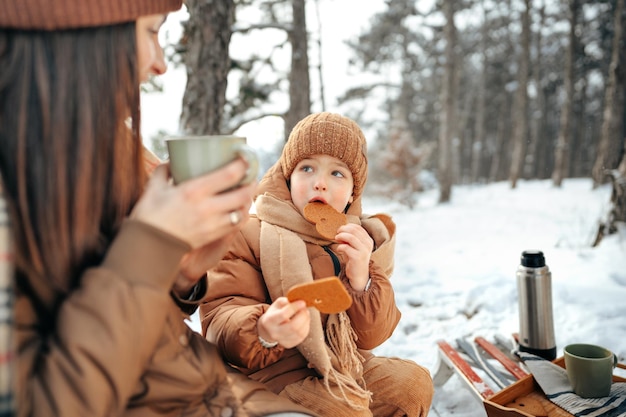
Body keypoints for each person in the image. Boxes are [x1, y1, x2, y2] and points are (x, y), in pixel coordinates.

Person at [0, 1, 314, 416]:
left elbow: (142, 331)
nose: (161, 64)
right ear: (77, 35)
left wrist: (182, 274)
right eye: (151, 32)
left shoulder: (108, 150)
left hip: (221, 394)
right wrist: (150, 247)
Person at [200, 112, 434, 417]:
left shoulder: (359, 242)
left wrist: (361, 276)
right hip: (269, 382)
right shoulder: (247, 234)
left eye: (337, 173)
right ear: (288, 177)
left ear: (353, 193)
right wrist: (263, 329)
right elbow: (219, 319)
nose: (320, 183)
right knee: (343, 410)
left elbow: (372, 337)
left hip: (345, 369)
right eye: (307, 168)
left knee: (412, 385)